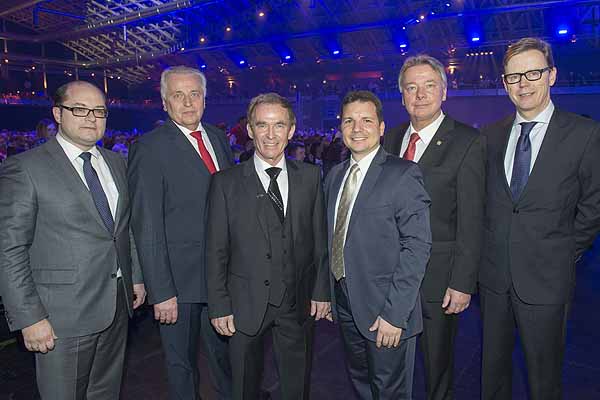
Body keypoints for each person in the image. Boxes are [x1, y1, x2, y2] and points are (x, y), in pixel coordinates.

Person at [0, 80, 145, 399]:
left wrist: (134, 276)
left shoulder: (116, 163)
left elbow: (124, 228)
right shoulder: (25, 168)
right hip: (60, 317)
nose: (91, 117)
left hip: (116, 306)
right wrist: (30, 317)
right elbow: (9, 250)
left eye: (99, 111)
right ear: (57, 114)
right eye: (80, 109)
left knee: (105, 393)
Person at [480, 37, 600, 400]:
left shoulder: (584, 134)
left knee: (543, 379)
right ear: (504, 83)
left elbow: (594, 204)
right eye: (514, 76)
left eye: (533, 73)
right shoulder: (490, 136)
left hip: (547, 280)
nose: (523, 83)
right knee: (492, 375)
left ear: (552, 75)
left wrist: (564, 251)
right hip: (494, 280)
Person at [207, 93, 330, 400]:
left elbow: (319, 239)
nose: (271, 134)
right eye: (262, 125)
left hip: (297, 302)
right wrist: (219, 305)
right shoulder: (225, 183)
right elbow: (215, 249)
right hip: (244, 303)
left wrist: (321, 291)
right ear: (250, 130)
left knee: (296, 386)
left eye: (279, 125)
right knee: (244, 387)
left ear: (291, 130)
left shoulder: (310, 177)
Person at [383, 55, 485, 400]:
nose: (420, 94)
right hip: (389, 276)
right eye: (411, 87)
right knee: (389, 365)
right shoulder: (390, 139)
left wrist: (462, 282)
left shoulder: (468, 141)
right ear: (402, 96)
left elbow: (472, 218)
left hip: (438, 279)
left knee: (436, 367)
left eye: (429, 85)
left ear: (444, 91)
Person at [128, 66, 233, 400]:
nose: (188, 103)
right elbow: (146, 223)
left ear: (205, 98)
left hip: (221, 279)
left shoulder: (218, 138)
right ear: (164, 102)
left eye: (194, 94)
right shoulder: (149, 148)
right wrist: (161, 291)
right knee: (182, 366)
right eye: (178, 95)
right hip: (177, 285)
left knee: (226, 360)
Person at [325, 90, 431, 399]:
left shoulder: (403, 174)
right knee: (361, 383)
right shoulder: (334, 176)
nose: (357, 128)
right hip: (346, 303)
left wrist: (395, 315)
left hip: (386, 309)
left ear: (381, 127)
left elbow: (417, 247)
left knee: (389, 391)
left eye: (366, 120)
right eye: (349, 121)